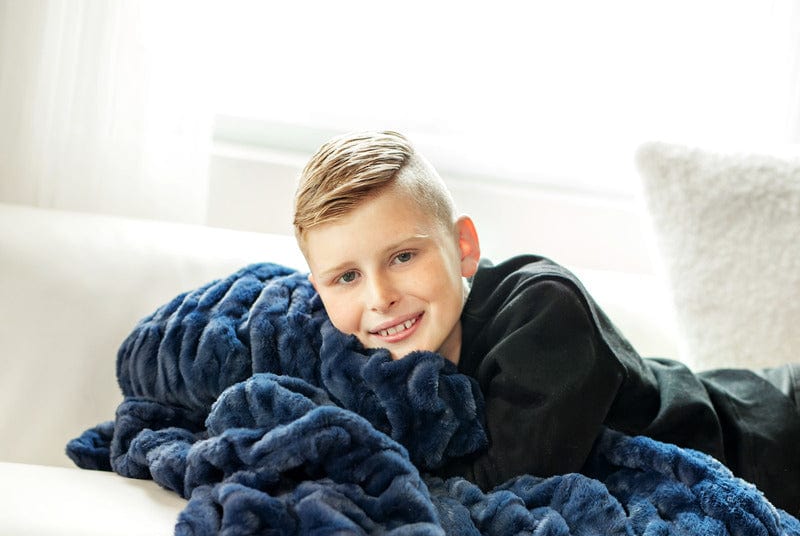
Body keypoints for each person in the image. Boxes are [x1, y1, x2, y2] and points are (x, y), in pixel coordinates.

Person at [293, 130, 800, 515]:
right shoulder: (346, 347)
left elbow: (499, 488)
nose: (380, 296)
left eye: (403, 257)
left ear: (463, 248)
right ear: (319, 290)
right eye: (347, 277)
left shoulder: (544, 310)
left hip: (769, 438)